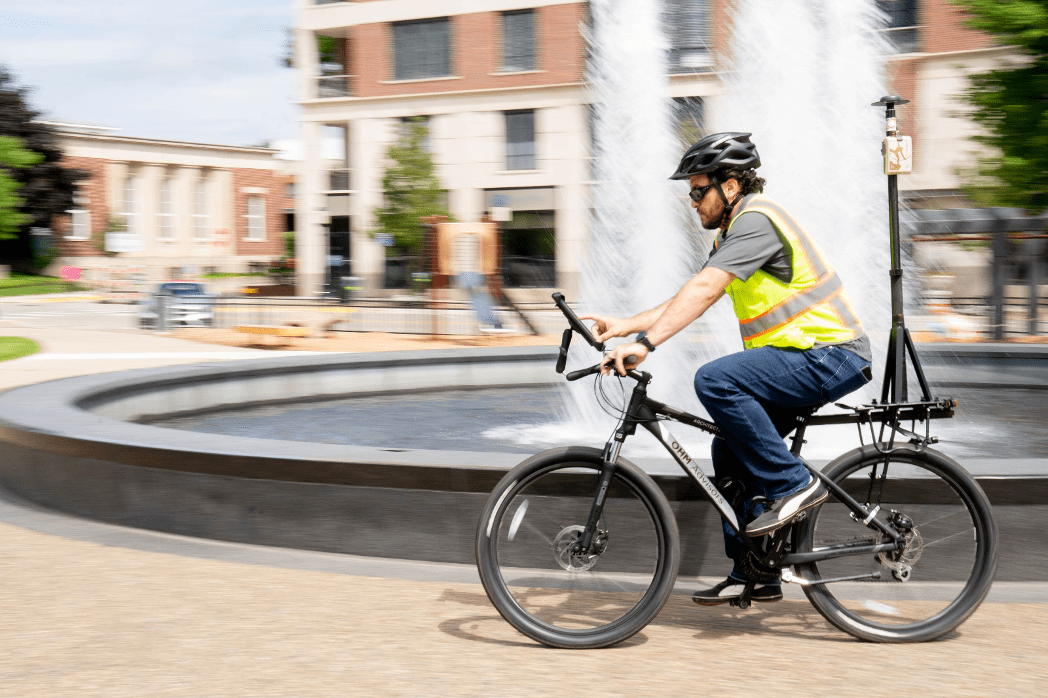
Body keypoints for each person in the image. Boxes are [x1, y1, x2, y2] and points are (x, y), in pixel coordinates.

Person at [580, 132, 873, 606]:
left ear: (730, 187)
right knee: (728, 449)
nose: (692, 202)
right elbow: (693, 289)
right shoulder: (733, 231)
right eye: (690, 194)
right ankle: (754, 572)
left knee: (714, 379)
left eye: (699, 191)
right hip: (804, 356)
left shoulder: (757, 222)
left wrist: (646, 344)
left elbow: (706, 290)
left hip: (830, 353)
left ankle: (793, 485)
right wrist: (626, 325)